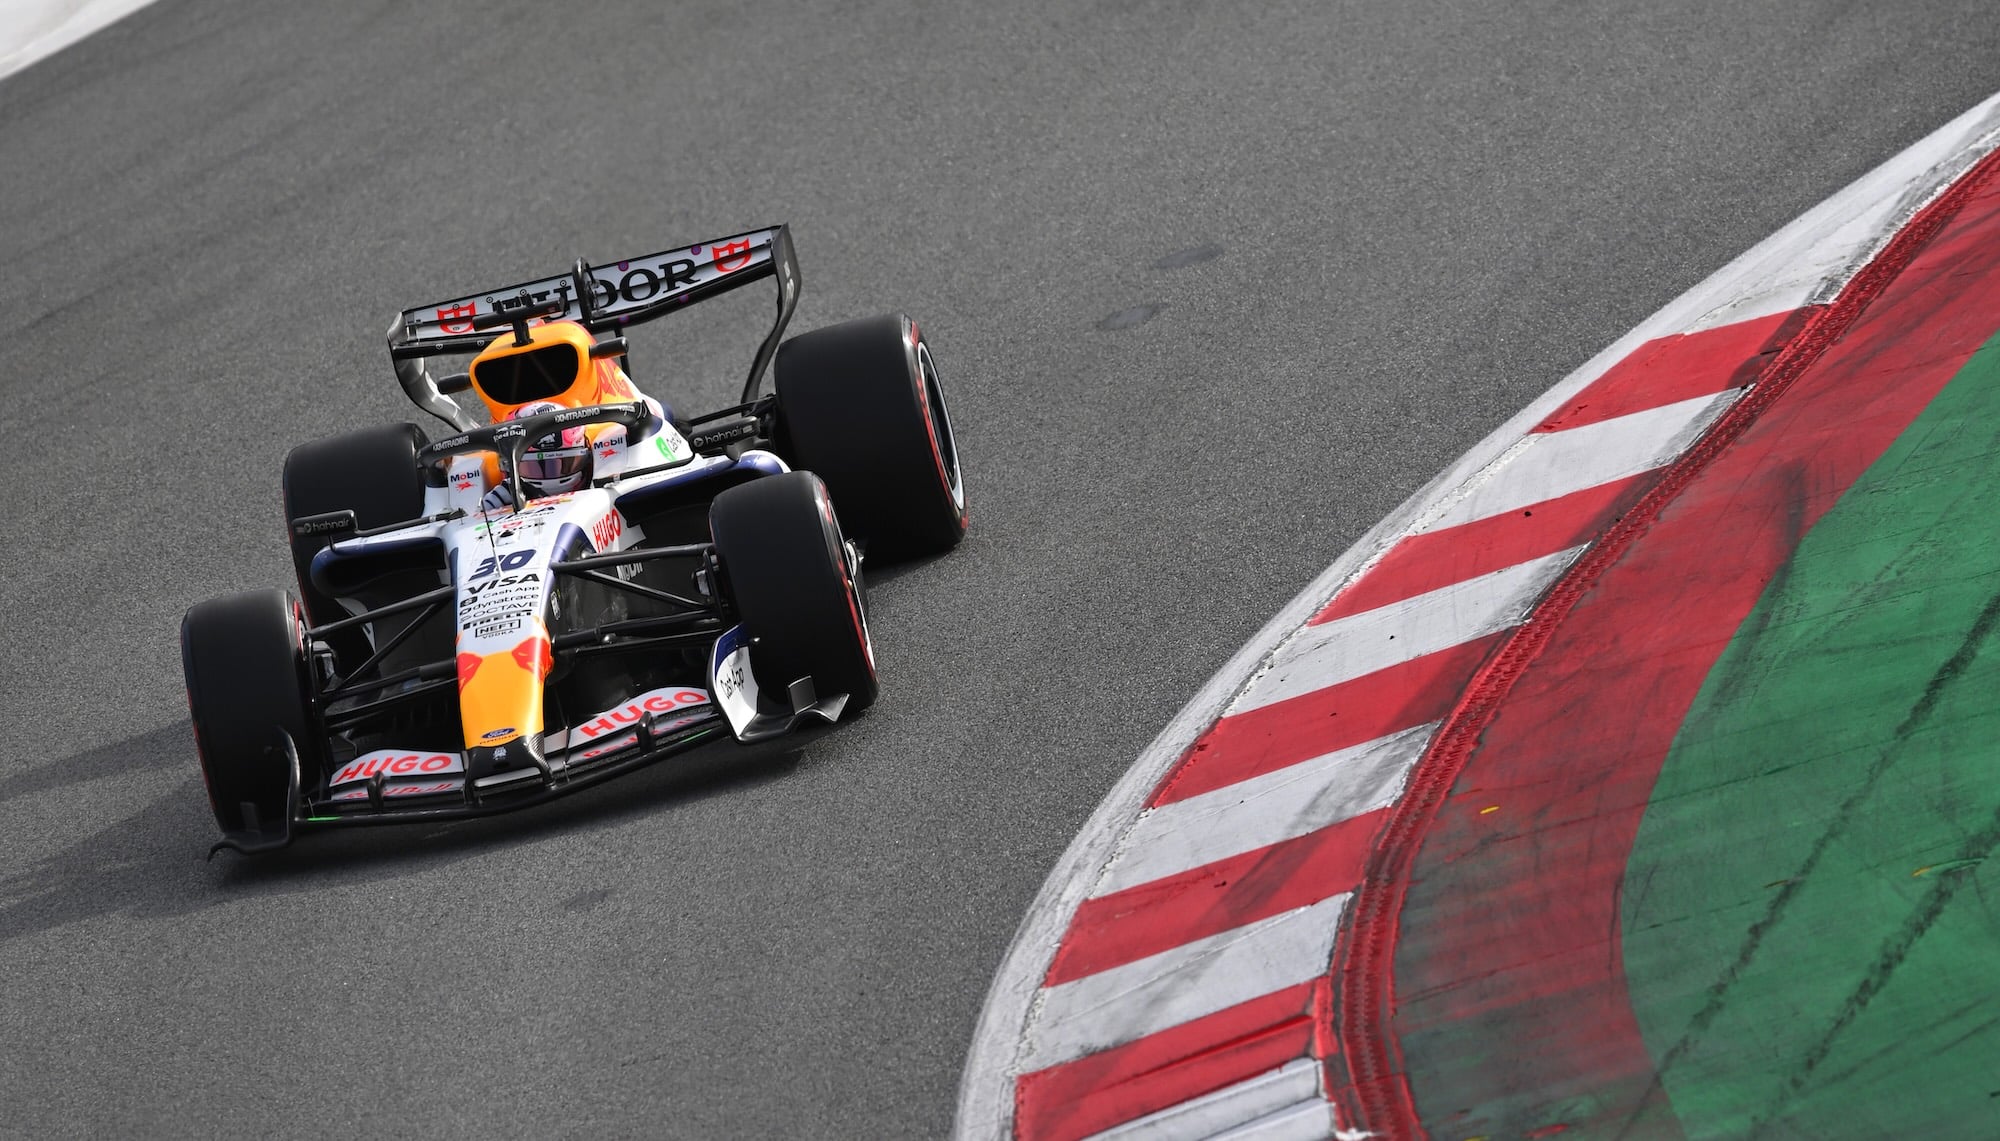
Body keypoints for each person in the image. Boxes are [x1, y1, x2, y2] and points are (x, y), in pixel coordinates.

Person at [480, 401, 594, 510]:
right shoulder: (499, 498)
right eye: (533, 468)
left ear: (586, 456)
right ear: (510, 466)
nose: (551, 479)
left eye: (564, 464)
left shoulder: (603, 476)